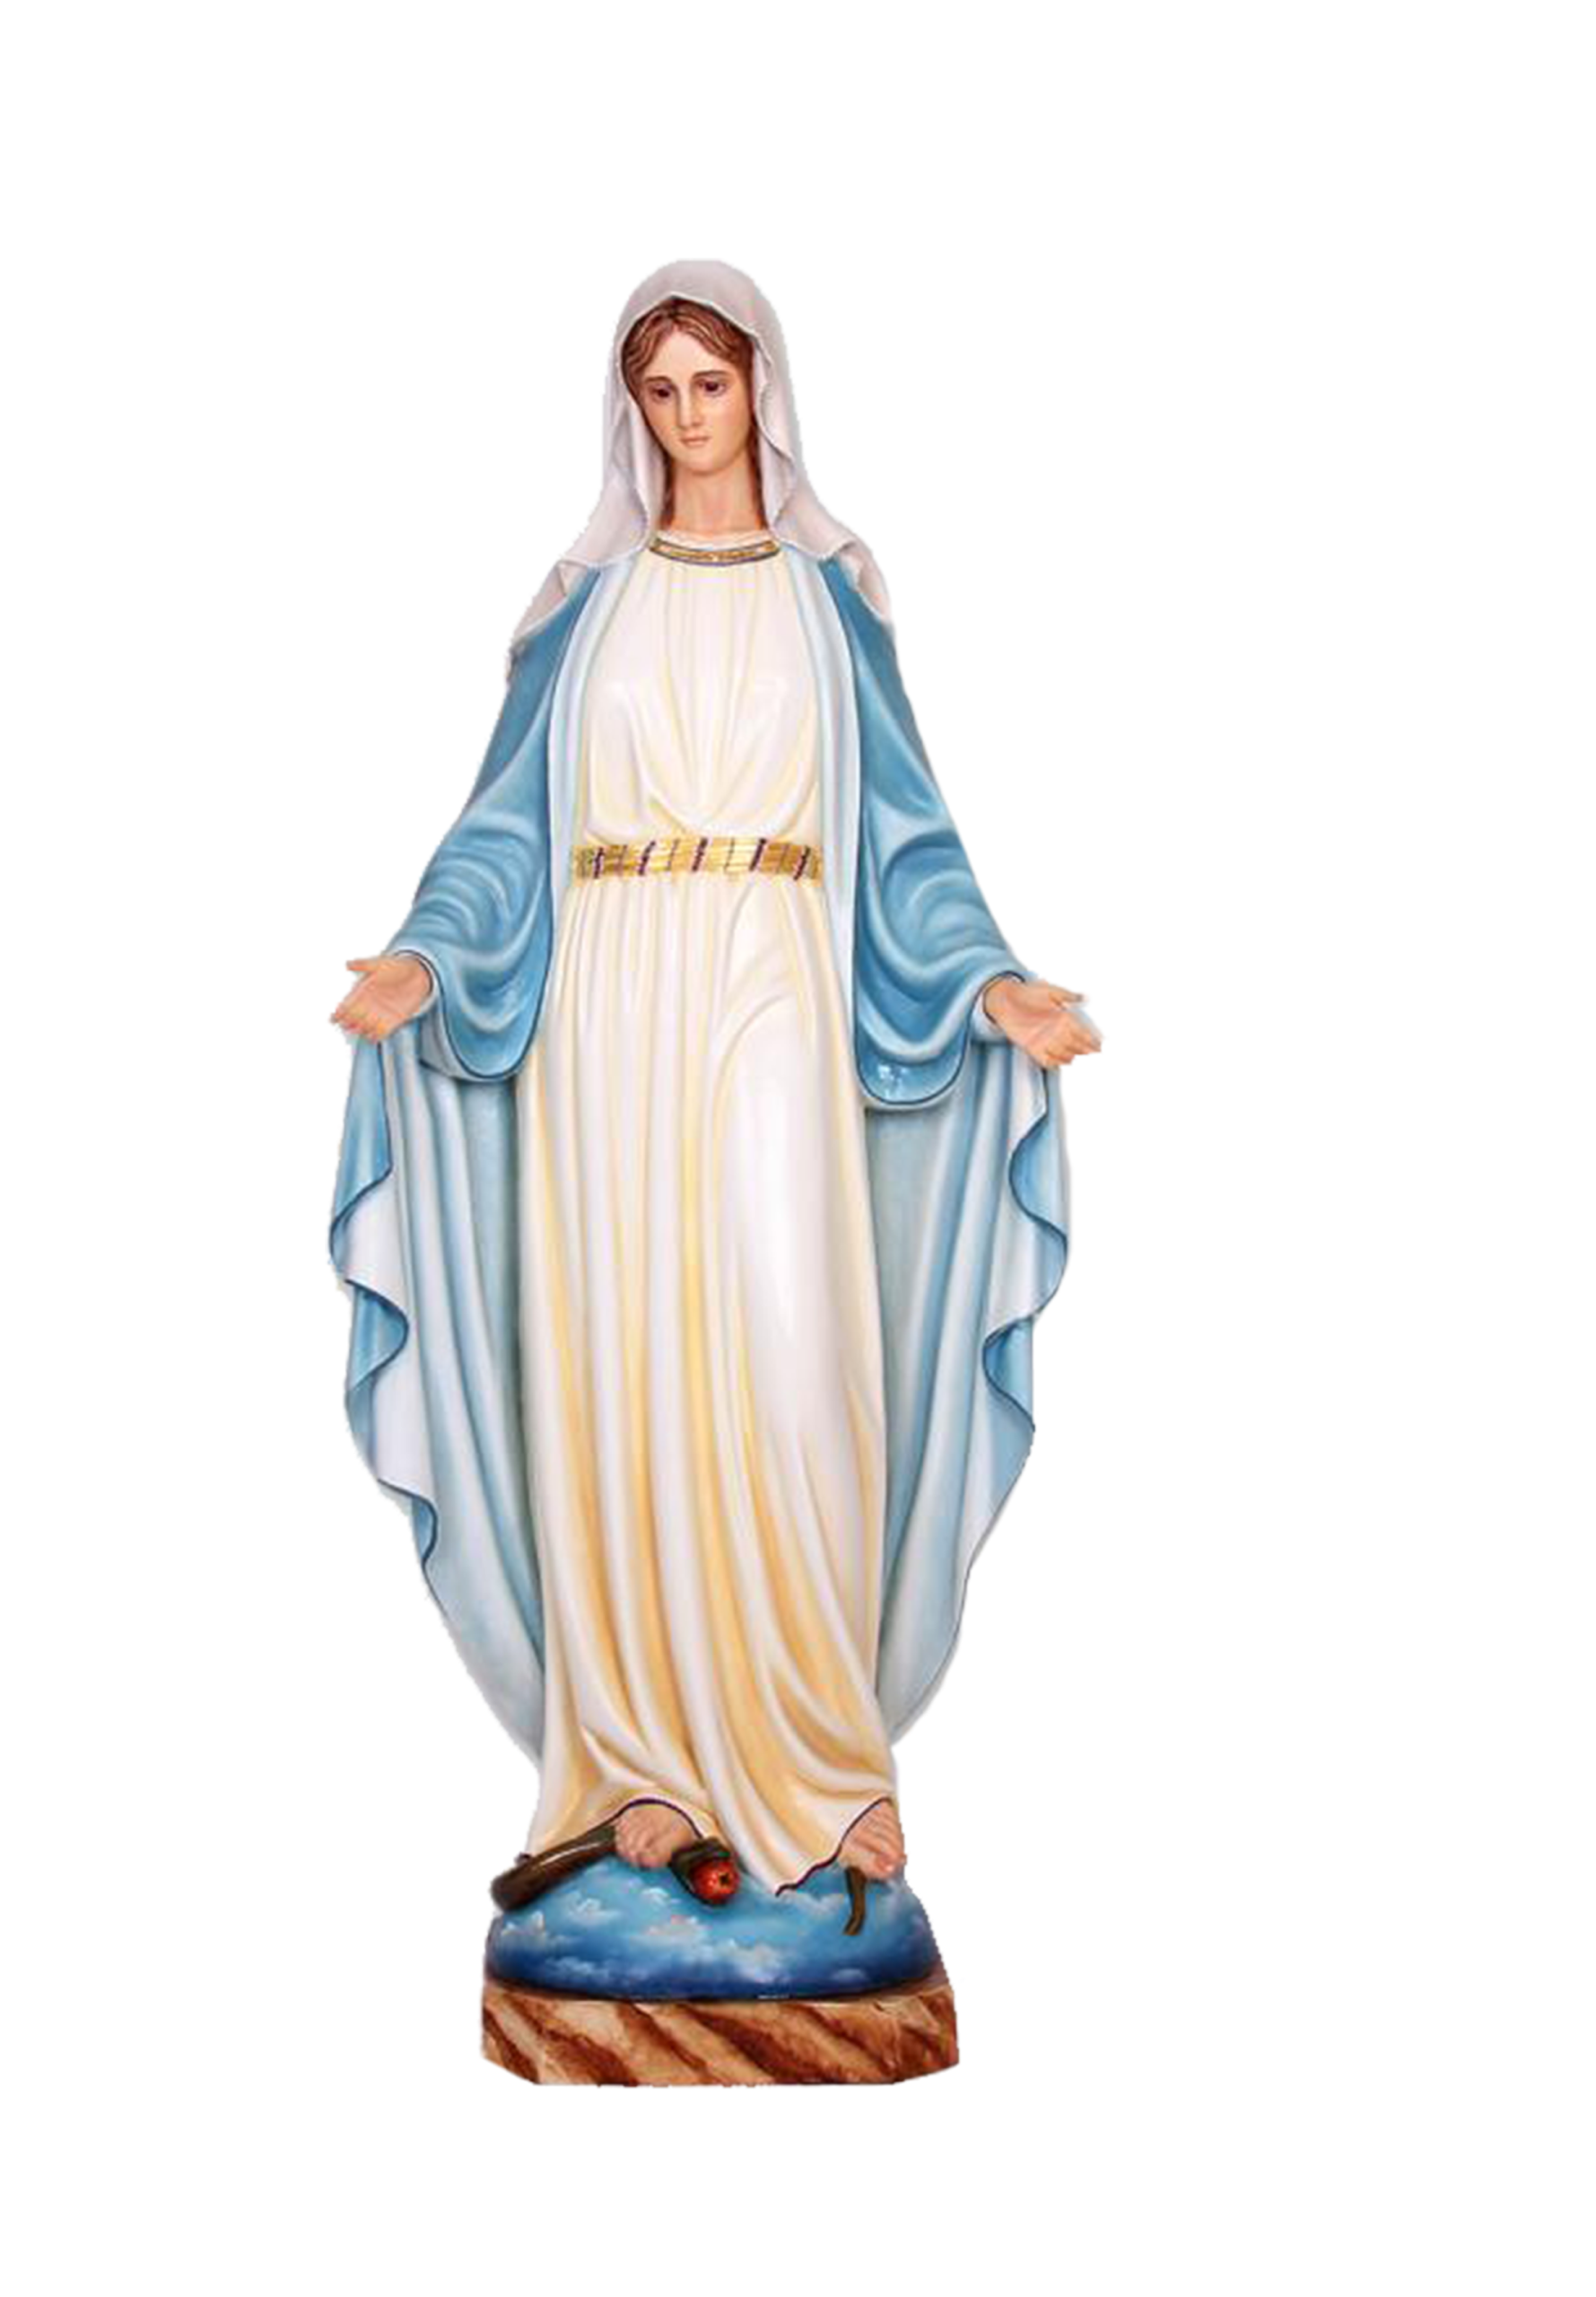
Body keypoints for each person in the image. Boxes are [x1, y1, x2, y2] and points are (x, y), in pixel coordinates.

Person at [327, 258, 1103, 1903]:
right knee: (617, 1364)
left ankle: (822, 1763)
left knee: (792, 1350)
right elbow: (503, 829)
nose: (689, 417)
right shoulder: (585, 605)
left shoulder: (829, 598)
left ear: (766, 391)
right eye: (660, 390)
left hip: (773, 985)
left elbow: (906, 837)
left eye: (713, 384)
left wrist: (991, 981)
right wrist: (425, 959)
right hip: (608, 1012)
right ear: (631, 410)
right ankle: (631, 1766)